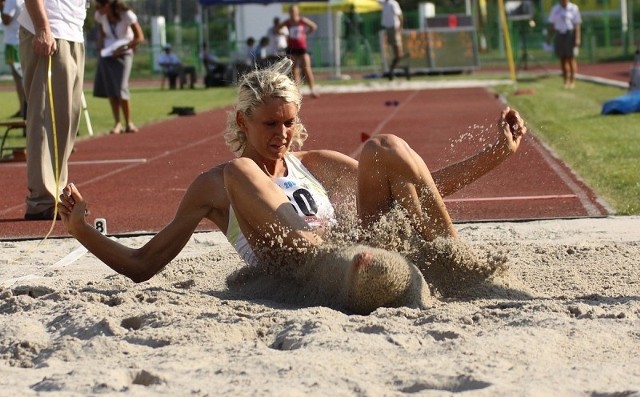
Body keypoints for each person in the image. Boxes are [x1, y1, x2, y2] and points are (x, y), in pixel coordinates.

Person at [58, 58, 528, 313]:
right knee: (238, 170)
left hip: (356, 246)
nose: (281, 134)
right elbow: (143, 264)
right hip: (304, 271)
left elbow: (419, 188)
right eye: (270, 124)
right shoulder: (217, 185)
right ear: (244, 119)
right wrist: (84, 231)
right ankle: (350, 262)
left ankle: (455, 257)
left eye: (288, 123)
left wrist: (499, 153)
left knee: (384, 146)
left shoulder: (311, 163)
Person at [19, 0, 87, 221]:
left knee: (66, 121)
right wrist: (42, 29)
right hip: (51, 31)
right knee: (45, 117)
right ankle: (42, 200)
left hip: (73, 30)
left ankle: (55, 193)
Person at [93, 0, 144, 134]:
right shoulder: (100, 16)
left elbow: (139, 38)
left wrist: (122, 48)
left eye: (99, 6)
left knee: (121, 87)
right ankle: (117, 123)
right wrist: (100, 43)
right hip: (107, 54)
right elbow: (102, 32)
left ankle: (129, 122)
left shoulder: (127, 15)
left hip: (124, 54)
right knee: (111, 89)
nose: (97, 9)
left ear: (107, 4)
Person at [278, 5, 319, 98]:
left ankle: (312, 89)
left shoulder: (302, 20)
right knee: (294, 70)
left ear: (297, 12)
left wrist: (306, 33)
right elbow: (278, 29)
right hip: (292, 48)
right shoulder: (287, 22)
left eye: (294, 11)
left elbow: (313, 26)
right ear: (289, 13)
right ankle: (297, 91)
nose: (293, 13)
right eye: (291, 11)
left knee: (307, 68)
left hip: (302, 47)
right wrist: (284, 34)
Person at [547, 0, 581, 89]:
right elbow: (552, 24)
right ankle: (565, 80)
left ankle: (573, 80)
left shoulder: (573, 8)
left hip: (569, 34)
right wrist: (549, 37)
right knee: (562, 59)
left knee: (571, 58)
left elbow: (577, 24)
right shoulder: (555, 9)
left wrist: (577, 38)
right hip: (559, 34)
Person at [1, 0, 26, 118]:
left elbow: (6, 20)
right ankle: (23, 108)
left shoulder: (11, 0)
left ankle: (25, 108)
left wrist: (1, 6)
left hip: (13, 43)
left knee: (19, 79)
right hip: (19, 40)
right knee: (20, 78)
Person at [379, 0, 405, 80]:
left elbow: (399, 15)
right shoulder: (384, 3)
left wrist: (400, 28)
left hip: (394, 29)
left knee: (399, 54)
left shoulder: (393, 3)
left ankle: (392, 70)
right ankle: (392, 70)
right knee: (395, 52)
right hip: (388, 29)